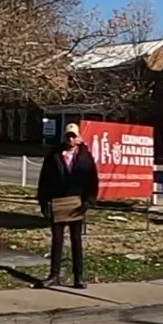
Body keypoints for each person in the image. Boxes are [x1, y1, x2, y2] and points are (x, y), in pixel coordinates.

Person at [37, 119, 100, 288]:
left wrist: (88, 201)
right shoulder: (54, 155)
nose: (71, 139)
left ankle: (78, 276)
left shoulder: (85, 157)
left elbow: (92, 181)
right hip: (58, 202)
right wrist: (43, 202)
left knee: (76, 240)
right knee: (57, 240)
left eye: (73, 136)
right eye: (68, 136)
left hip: (77, 203)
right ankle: (54, 275)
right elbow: (44, 180)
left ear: (78, 137)